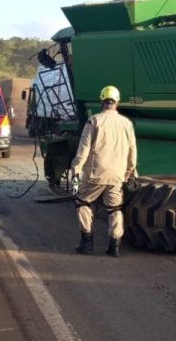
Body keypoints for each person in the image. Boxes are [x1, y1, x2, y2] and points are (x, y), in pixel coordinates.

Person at [71, 85, 137, 257]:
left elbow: (83, 149)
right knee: (114, 209)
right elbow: (132, 151)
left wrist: (76, 170)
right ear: (117, 102)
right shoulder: (126, 124)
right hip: (117, 175)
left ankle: (86, 242)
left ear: (102, 101)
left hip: (95, 174)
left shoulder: (94, 121)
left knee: (83, 202)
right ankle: (114, 246)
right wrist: (130, 172)